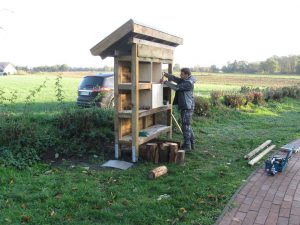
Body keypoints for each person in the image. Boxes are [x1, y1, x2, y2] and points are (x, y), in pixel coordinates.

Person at [160, 68, 196, 151]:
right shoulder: (186, 79)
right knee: (187, 125)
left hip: (187, 106)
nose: (180, 75)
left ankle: (187, 145)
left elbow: (176, 87)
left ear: (187, 74)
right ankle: (192, 143)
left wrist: (165, 82)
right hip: (187, 105)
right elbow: (176, 79)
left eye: (182, 74)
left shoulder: (188, 83)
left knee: (185, 126)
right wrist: (166, 74)